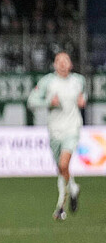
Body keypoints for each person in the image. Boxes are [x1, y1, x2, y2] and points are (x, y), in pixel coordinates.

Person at [27, 51, 86, 220]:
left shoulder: (78, 80)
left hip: (72, 129)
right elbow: (31, 101)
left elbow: (82, 96)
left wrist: (83, 101)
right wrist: (48, 102)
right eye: (59, 60)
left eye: (65, 60)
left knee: (64, 163)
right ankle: (73, 188)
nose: (62, 63)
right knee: (61, 169)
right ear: (54, 65)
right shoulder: (48, 81)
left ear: (71, 64)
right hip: (55, 131)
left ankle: (61, 206)